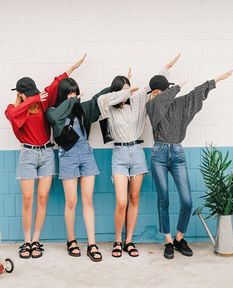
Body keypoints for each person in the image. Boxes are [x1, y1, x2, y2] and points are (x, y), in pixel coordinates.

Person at [146, 66, 233, 259]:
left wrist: (216, 80)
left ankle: (179, 238)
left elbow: (197, 94)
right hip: (159, 154)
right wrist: (175, 88)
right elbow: (161, 102)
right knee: (164, 200)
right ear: (155, 92)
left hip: (177, 153)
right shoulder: (152, 106)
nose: (168, 93)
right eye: (164, 90)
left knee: (187, 201)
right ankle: (168, 241)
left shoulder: (178, 104)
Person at [97, 55, 180, 258]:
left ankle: (129, 241)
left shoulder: (138, 100)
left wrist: (165, 69)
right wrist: (123, 92)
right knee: (121, 202)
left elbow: (153, 85)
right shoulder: (107, 105)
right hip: (119, 154)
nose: (128, 92)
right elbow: (103, 98)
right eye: (123, 89)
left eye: (129, 88)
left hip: (138, 153)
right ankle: (117, 240)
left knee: (134, 199)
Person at [5, 56, 86, 258]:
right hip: (27, 155)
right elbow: (14, 116)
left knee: (42, 199)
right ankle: (25, 241)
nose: (35, 96)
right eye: (29, 95)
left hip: (47, 154)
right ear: (21, 95)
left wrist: (72, 68)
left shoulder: (42, 103)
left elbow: (55, 83)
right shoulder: (12, 109)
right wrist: (33, 99)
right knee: (27, 199)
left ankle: (35, 241)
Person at [46, 60, 111, 262]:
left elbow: (97, 100)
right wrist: (71, 101)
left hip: (86, 154)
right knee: (72, 201)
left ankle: (92, 244)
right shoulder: (53, 112)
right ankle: (71, 240)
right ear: (64, 95)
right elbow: (56, 117)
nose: (74, 97)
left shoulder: (81, 110)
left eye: (76, 93)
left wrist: (116, 86)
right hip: (67, 156)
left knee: (88, 200)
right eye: (69, 93)